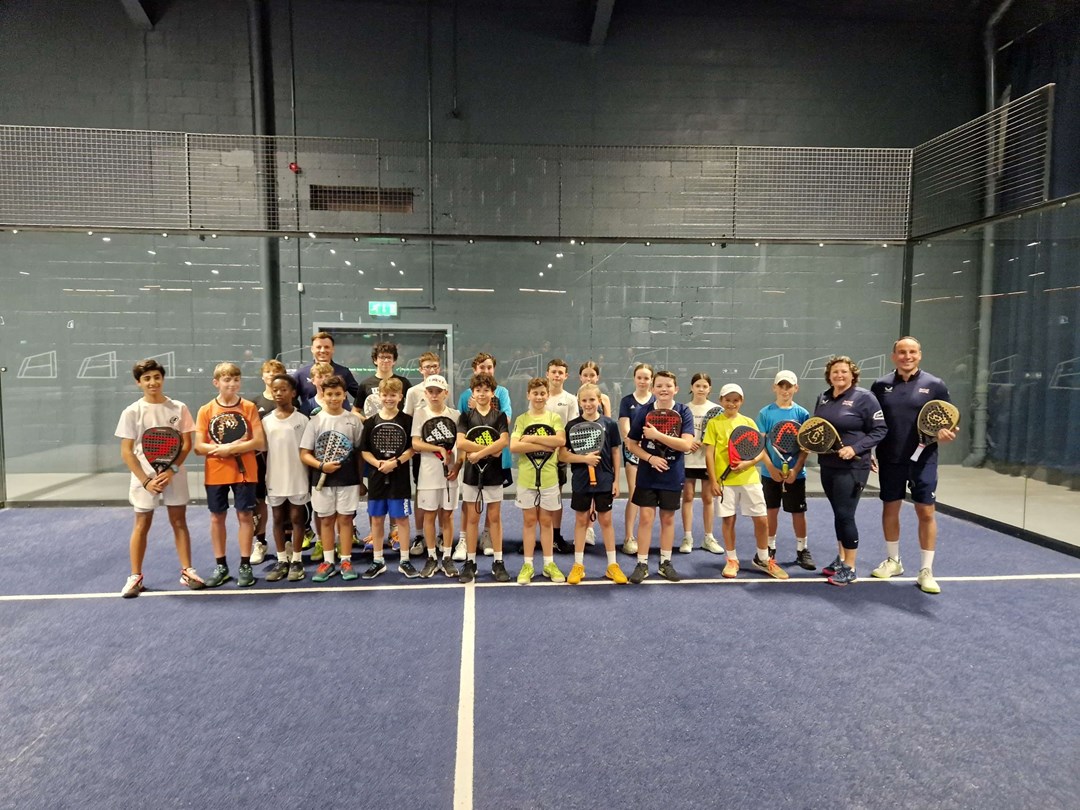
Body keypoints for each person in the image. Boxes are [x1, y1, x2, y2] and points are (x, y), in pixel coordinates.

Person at [869, 337, 956, 594]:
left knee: (926, 512)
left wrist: (945, 433)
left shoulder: (935, 385)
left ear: (920, 355)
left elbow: (947, 420)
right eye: (902, 352)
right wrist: (869, 451)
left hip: (923, 460)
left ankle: (926, 570)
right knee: (890, 508)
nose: (907, 356)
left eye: (912, 352)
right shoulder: (880, 386)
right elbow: (873, 422)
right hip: (890, 458)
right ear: (893, 356)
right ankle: (893, 561)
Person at [115, 358, 204, 597]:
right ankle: (135, 577)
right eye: (146, 379)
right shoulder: (132, 411)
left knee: (179, 521)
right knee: (142, 524)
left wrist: (171, 471)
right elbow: (126, 451)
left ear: (162, 379)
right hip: (144, 477)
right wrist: (146, 480)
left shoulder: (179, 408)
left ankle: (187, 571)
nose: (152, 382)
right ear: (138, 383)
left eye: (156, 377)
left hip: (173, 474)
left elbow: (186, 445)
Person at [812, 356, 888, 586]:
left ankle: (850, 567)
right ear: (829, 375)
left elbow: (880, 429)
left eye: (844, 371)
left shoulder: (865, 398)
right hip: (828, 465)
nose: (839, 375)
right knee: (838, 513)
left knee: (846, 514)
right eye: (835, 372)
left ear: (852, 374)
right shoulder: (824, 398)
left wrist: (856, 448)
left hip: (853, 467)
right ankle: (841, 558)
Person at [704, 384, 787, 580]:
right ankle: (732, 559)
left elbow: (759, 451)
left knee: (761, 519)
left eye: (736, 400)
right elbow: (709, 454)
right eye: (728, 399)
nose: (731, 403)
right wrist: (713, 481)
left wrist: (747, 463)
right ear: (721, 400)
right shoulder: (714, 424)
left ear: (741, 401)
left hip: (749, 479)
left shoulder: (748, 422)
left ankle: (763, 558)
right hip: (726, 483)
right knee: (729, 520)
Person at [194, 362, 266, 588]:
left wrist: (233, 449)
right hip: (216, 473)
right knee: (217, 517)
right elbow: (198, 446)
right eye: (226, 380)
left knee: (245, 517)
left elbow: (259, 442)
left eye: (236, 379)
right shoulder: (206, 410)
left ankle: (245, 565)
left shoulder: (248, 408)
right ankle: (221, 566)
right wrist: (223, 450)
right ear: (216, 383)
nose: (232, 384)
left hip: (245, 472)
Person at [623, 370, 694, 583]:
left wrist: (657, 435)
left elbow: (686, 444)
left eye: (668, 386)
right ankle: (642, 563)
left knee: (667, 518)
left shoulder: (683, 411)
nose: (664, 389)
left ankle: (665, 562)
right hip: (647, 474)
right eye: (660, 386)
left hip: (672, 475)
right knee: (645, 518)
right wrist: (650, 458)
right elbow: (632, 444)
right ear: (653, 389)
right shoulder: (643, 412)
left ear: (676, 389)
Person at [298, 375, 365, 581]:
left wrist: (361, 481)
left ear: (344, 395)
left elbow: (359, 453)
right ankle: (328, 562)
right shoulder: (315, 422)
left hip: (349, 480)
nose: (334, 398)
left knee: (345, 519)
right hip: (321, 480)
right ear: (323, 395)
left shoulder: (353, 421)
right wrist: (321, 466)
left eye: (338, 394)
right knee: (326, 520)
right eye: (329, 394)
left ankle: (346, 561)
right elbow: (304, 454)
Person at [559, 383, 627, 584]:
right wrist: (584, 460)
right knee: (581, 521)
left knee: (606, 521)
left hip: (605, 480)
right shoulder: (571, 425)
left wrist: (616, 480)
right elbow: (562, 454)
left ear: (599, 401)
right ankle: (578, 566)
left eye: (592, 400)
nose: (588, 404)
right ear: (579, 402)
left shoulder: (610, 424)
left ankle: (612, 566)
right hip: (581, 481)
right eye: (584, 400)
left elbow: (615, 452)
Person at [454, 352, 514, 559]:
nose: (485, 371)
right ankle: (464, 541)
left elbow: (503, 429)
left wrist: (482, 452)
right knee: (470, 508)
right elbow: (462, 436)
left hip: (497, 462)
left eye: (489, 367)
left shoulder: (502, 394)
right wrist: (476, 453)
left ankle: (488, 537)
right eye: (482, 367)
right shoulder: (464, 401)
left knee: (493, 507)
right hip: (472, 463)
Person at [756, 370, 815, 570]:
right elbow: (761, 444)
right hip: (769, 474)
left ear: (795, 388)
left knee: (798, 513)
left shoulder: (802, 413)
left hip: (795, 475)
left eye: (788, 386)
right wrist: (771, 467)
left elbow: (805, 446)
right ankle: (770, 547)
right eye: (781, 386)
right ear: (774, 387)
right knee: (771, 512)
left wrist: (796, 468)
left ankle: (802, 550)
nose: (784, 390)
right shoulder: (765, 413)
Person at [358, 378, 416, 579]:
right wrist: (378, 464)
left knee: (402, 518)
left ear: (400, 397)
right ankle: (378, 560)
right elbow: (365, 452)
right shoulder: (370, 422)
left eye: (393, 395)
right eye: (385, 395)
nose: (389, 398)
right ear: (379, 397)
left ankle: (405, 560)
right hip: (376, 477)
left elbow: (412, 449)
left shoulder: (407, 420)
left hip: (399, 478)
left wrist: (396, 463)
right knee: (377, 519)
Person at [511, 378, 566, 584]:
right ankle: (528, 565)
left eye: (543, 393)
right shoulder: (522, 419)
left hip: (549, 478)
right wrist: (544, 444)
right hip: (526, 479)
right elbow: (515, 446)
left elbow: (560, 441)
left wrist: (530, 439)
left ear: (547, 395)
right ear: (528, 395)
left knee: (546, 521)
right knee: (529, 521)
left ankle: (549, 564)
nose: (539, 397)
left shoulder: (554, 418)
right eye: (535, 393)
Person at [410, 374, 464, 578]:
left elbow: (461, 445)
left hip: (450, 475)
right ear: (425, 393)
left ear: (445, 393)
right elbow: (415, 443)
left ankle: (447, 556)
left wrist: (457, 465)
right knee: (429, 515)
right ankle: (432, 556)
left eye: (438, 391)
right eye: (430, 391)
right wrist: (438, 449)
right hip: (428, 475)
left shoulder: (456, 415)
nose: (434, 395)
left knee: (447, 516)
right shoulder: (420, 413)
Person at [261, 374, 311, 583]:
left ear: (293, 393)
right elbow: (264, 452)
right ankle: (282, 560)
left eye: (283, 389)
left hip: (298, 478)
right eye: (275, 390)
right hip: (274, 479)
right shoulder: (266, 421)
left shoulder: (303, 420)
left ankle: (297, 560)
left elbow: (307, 450)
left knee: (298, 519)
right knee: (278, 519)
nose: (279, 393)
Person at [404, 351, 444, 556]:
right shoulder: (412, 392)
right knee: (422, 495)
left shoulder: (445, 388)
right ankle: (420, 535)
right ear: (421, 370)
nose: (431, 369)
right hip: (421, 454)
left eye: (434, 366)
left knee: (440, 494)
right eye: (427, 366)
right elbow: (408, 420)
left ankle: (440, 535)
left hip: (442, 455)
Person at [681, 372, 721, 554]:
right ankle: (687, 537)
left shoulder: (716, 409)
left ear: (709, 389)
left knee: (707, 499)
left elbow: (719, 436)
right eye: (698, 386)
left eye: (705, 386)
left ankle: (708, 537)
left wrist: (705, 443)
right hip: (687, 460)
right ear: (692, 387)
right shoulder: (684, 409)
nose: (701, 389)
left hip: (707, 461)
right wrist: (689, 443)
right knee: (687, 497)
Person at [251, 358, 286, 566]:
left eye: (276, 372)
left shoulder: (290, 399)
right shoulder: (254, 403)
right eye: (268, 372)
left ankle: (288, 543)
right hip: (260, 462)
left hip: (283, 461)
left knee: (285, 503)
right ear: (263, 376)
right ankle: (261, 542)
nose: (271, 375)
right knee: (259, 502)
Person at [618, 363, 655, 555]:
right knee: (634, 492)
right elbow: (625, 428)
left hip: (653, 455)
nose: (643, 381)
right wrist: (634, 444)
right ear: (634, 379)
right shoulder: (626, 401)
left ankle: (644, 536)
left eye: (646, 378)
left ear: (651, 380)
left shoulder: (657, 400)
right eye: (639, 377)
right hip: (633, 452)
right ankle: (629, 537)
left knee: (649, 496)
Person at [545, 358, 580, 554]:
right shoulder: (540, 396)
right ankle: (539, 536)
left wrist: (560, 448)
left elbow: (572, 427)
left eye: (560, 372)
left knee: (555, 496)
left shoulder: (571, 399)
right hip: (538, 457)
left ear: (566, 376)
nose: (557, 375)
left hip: (558, 456)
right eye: (553, 372)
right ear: (547, 374)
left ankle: (556, 536)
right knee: (537, 497)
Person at [292, 331, 361, 404]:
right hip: (309, 414)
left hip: (338, 414)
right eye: (318, 347)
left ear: (333, 349)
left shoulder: (344, 372)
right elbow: (291, 399)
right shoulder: (301, 374)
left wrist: (354, 411)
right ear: (312, 349)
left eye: (327, 347)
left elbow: (360, 396)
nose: (322, 350)